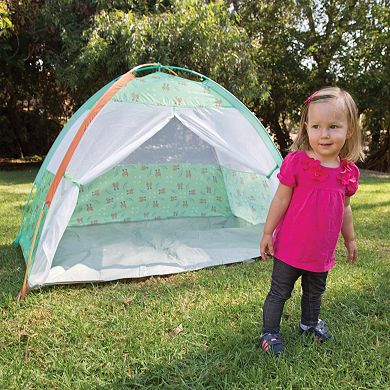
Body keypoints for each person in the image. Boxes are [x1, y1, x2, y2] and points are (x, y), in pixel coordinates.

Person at [259, 87, 364, 357]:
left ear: (349, 130)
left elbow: (345, 210)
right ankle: (269, 332)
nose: (324, 134)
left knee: (314, 291)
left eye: (333, 126)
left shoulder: (347, 172)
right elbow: (280, 200)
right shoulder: (297, 163)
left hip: (321, 251)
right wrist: (268, 232)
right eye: (316, 126)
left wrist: (350, 239)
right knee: (279, 292)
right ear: (306, 128)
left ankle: (308, 323)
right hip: (290, 248)